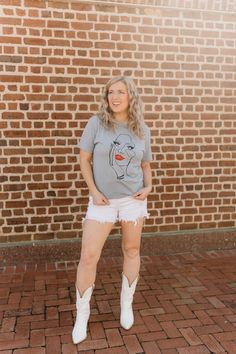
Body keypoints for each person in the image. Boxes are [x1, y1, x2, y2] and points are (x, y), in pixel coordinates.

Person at [72, 76, 152, 344]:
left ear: (132, 96)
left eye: (121, 91)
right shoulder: (96, 123)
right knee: (89, 255)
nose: (115, 96)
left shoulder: (141, 128)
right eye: (110, 92)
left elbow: (145, 165)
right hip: (101, 201)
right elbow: (84, 159)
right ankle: (81, 315)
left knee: (131, 250)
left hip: (133, 200)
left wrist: (149, 187)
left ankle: (126, 306)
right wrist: (94, 191)